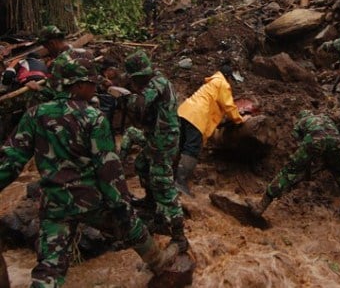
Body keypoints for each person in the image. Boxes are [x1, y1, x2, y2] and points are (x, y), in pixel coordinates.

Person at [0, 49, 178, 287]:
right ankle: (159, 264)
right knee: (132, 228)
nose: (95, 88)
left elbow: (10, 162)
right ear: (78, 85)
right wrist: (122, 207)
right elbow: (109, 172)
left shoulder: (34, 116)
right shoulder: (93, 118)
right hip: (93, 202)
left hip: (56, 205)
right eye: (92, 83)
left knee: (49, 269)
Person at [124, 50, 189, 253]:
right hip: (156, 138)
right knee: (142, 165)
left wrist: (125, 98)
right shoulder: (155, 82)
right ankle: (152, 207)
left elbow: (140, 104)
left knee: (163, 182)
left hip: (165, 140)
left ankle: (179, 236)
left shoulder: (156, 84)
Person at [246, 109, 340, 217]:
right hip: (336, 143)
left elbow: (300, 142)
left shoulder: (301, 121)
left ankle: (260, 207)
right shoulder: (325, 117)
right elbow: (331, 135)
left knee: (288, 172)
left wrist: (302, 162)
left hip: (314, 142)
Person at [176, 65, 249, 196]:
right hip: (197, 117)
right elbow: (228, 106)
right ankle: (179, 182)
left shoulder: (212, 82)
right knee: (192, 149)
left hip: (184, 112)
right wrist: (240, 120)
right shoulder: (222, 84)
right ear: (228, 77)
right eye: (232, 80)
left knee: (181, 146)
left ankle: (169, 178)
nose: (232, 83)